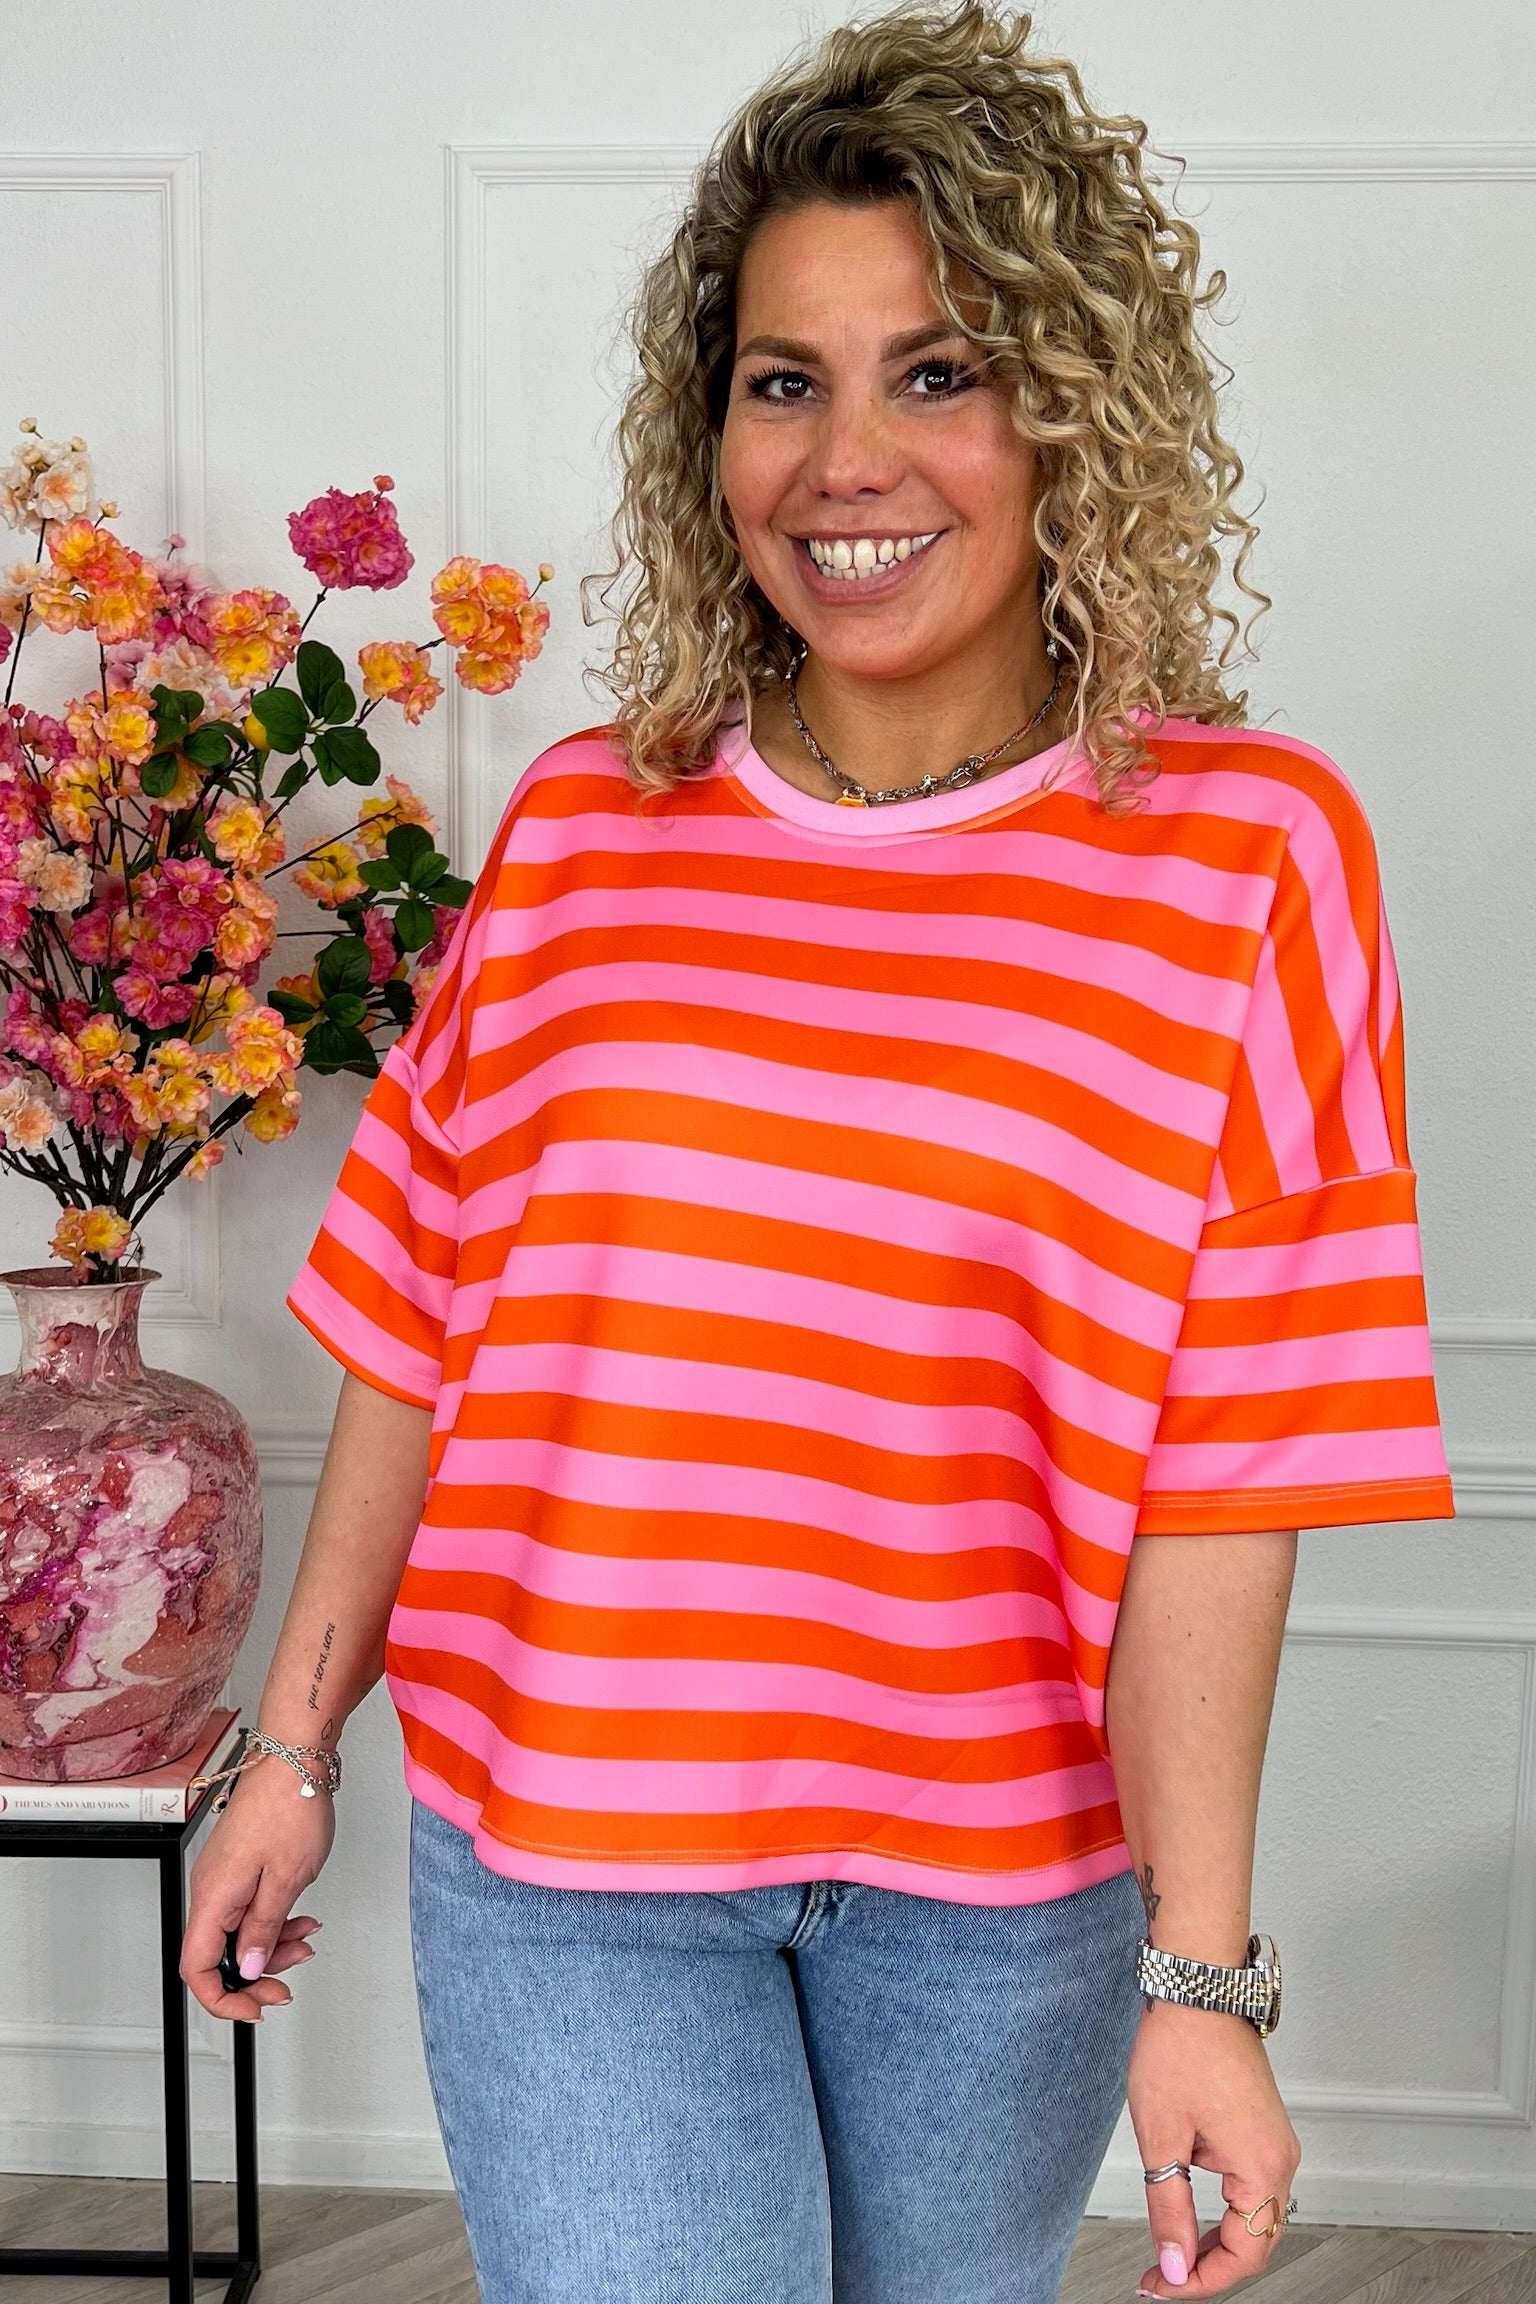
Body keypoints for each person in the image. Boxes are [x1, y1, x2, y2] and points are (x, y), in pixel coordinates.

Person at [181, 7, 1455, 2300]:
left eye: (937, 372)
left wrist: (1203, 1976)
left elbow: (1229, 1465)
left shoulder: (1250, 853)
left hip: (1007, 1892)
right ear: (714, 432)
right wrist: (289, 1744)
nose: (847, 460)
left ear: (1074, 411)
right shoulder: (590, 823)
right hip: (570, 1857)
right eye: (785, 382)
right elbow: (420, 1319)